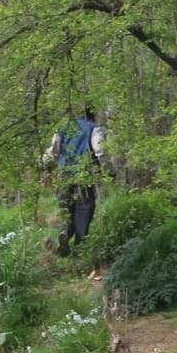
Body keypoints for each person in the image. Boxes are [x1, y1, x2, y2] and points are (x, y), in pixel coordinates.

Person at [43, 107, 105, 258]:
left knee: (66, 209)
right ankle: (79, 249)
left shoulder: (63, 128)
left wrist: (46, 164)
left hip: (64, 175)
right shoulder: (93, 128)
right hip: (84, 176)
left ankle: (65, 231)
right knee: (84, 210)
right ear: (91, 115)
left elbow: (53, 151)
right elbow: (99, 150)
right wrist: (105, 169)